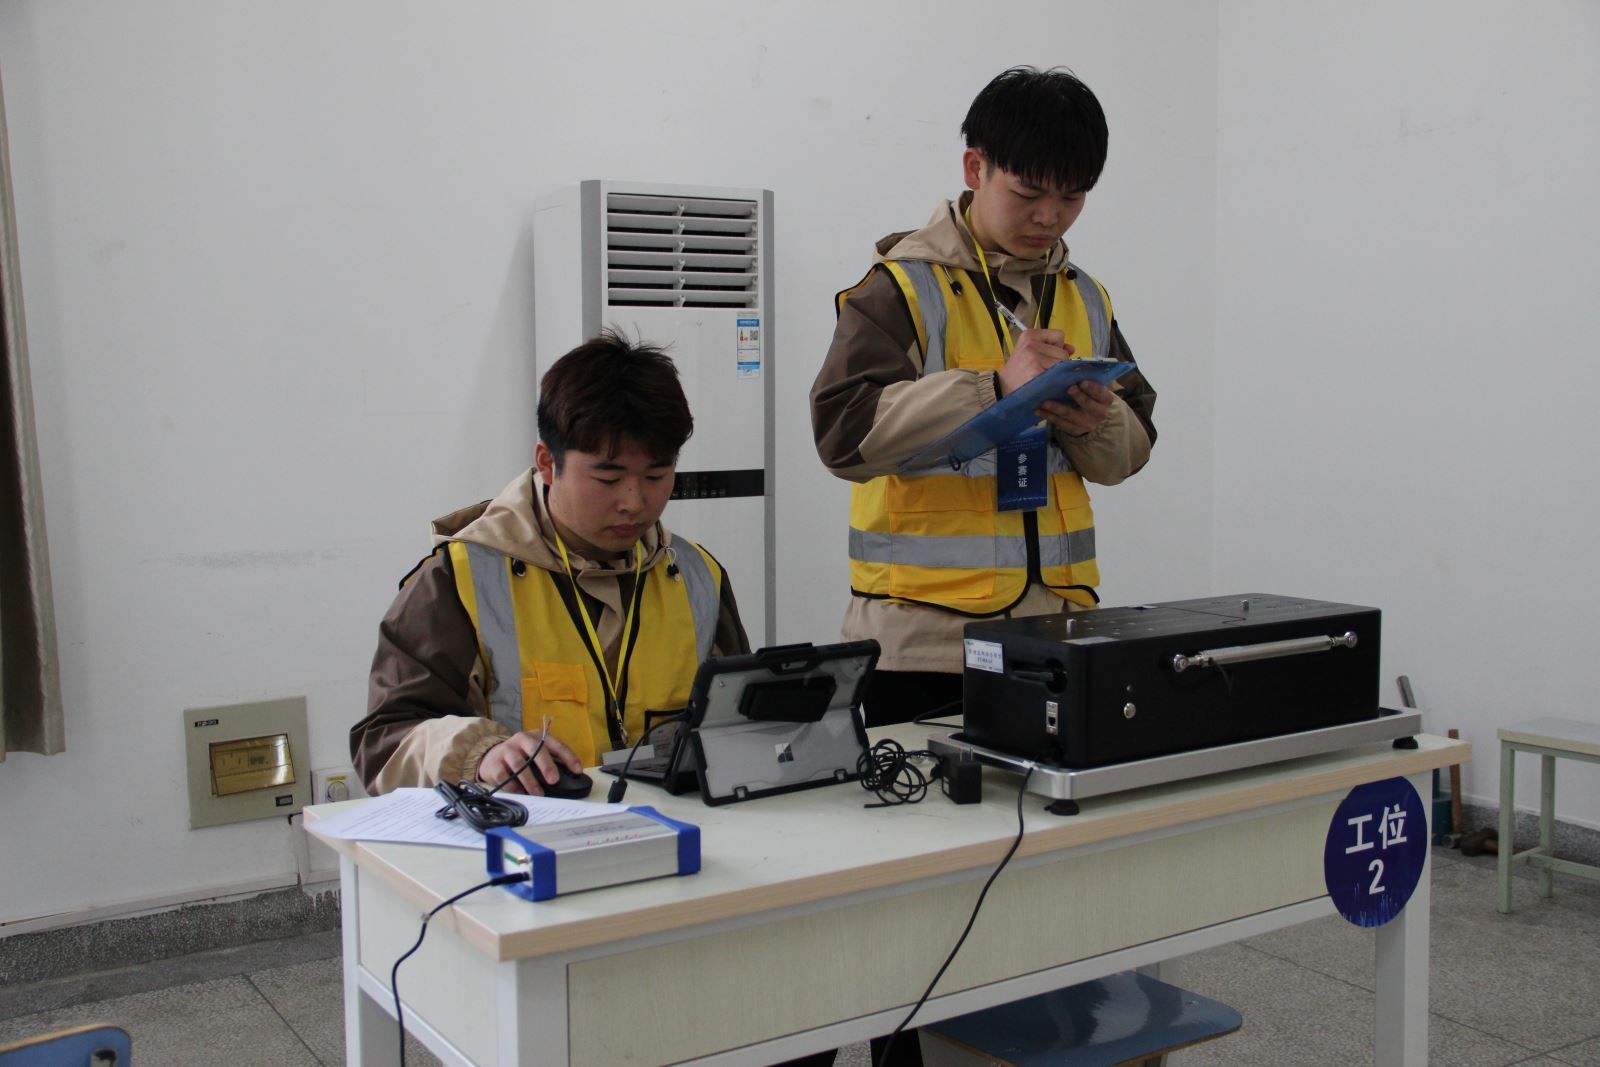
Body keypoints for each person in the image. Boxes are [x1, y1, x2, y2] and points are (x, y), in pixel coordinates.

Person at [811, 66, 1158, 738]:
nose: (1049, 216)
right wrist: (992, 388)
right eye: (1029, 192)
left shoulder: (1086, 296)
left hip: (1057, 633)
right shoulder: (899, 287)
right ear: (976, 168)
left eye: (1073, 197)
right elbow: (841, 435)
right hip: (923, 646)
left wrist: (1096, 423)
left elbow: (1131, 451)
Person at [351, 332, 749, 795]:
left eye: (656, 475)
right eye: (608, 478)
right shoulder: (459, 579)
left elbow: (735, 723)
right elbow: (383, 744)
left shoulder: (697, 576)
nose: (634, 501)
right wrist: (480, 755)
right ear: (546, 462)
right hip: (521, 831)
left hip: (679, 831)